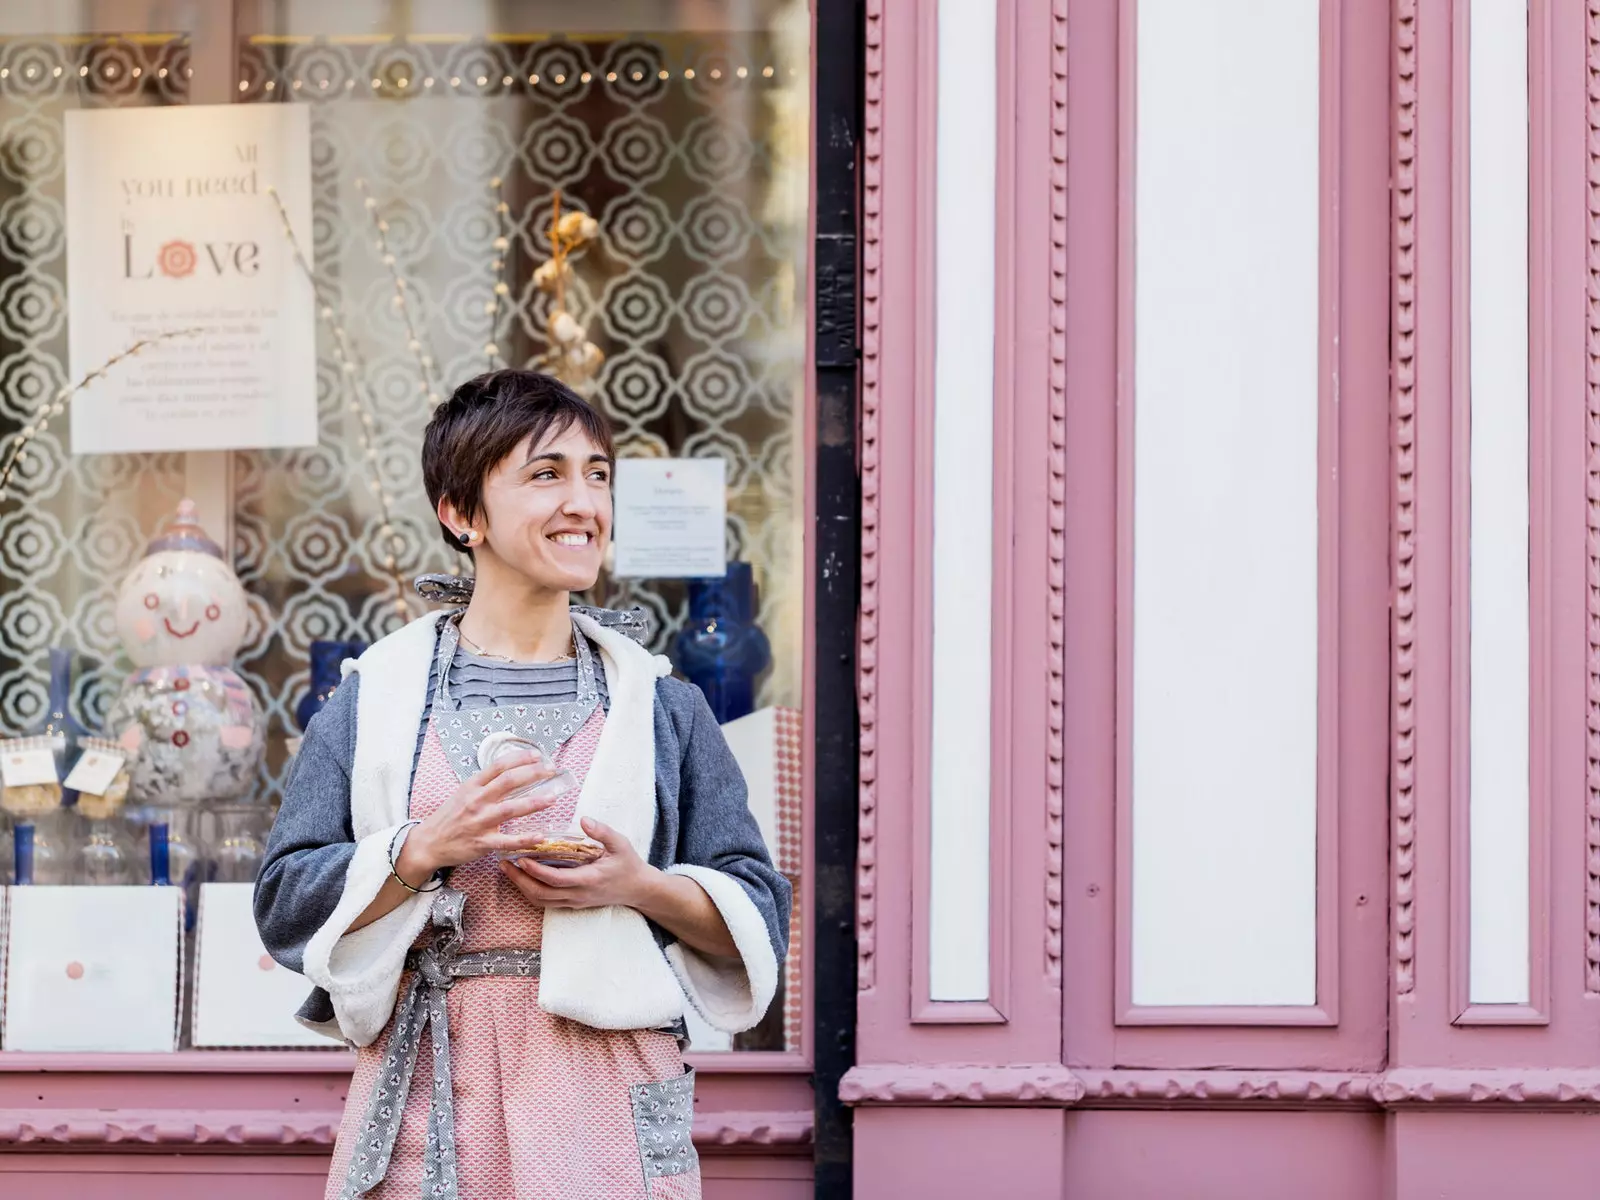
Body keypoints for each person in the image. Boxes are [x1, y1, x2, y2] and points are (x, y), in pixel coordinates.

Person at [254, 369, 790, 1200]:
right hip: (429, 1076)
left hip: (604, 1091)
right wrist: (421, 850)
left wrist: (639, 886)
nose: (583, 501)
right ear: (461, 514)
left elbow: (758, 916)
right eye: (547, 475)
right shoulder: (375, 698)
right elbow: (285, 905)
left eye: (597, 474)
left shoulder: (663, 707)